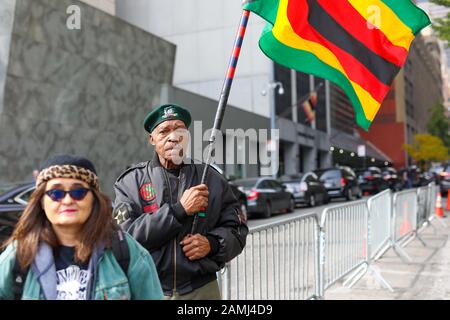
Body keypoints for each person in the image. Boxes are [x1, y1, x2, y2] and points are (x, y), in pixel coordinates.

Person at [113, 103, 248, 300]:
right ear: (152, 139)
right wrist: (179, 210)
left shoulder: (210, 178)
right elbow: (124, 237)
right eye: (164, 131)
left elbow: (237, 229)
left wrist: (213, 244)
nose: (173, 137)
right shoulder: (131, 182)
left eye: (180, 130)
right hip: (149, 289)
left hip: (202, 290)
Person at [0, 154, 163, 300]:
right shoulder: (20, 253)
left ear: (93, 199)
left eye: (78, 192)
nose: (68, 200)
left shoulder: (124, 250)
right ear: (42, 201)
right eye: (56, 193)